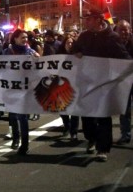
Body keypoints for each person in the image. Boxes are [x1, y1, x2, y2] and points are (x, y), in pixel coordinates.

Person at [71, 9, 131, 161]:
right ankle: (91, 139)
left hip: (104, 85)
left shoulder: (112, 37)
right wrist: (76, 52)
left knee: (103, 116)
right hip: (86, 83)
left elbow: (123, 57)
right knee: (87, 118)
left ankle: (103, 149)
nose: (86, 22)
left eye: (89, 19)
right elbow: (74, 49)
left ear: (98, 20)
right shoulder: (84, 36)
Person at [3, 29, 40, 155]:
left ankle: (25, 144)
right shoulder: (7, 52)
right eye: (22, 37)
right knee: (13, 116)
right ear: (15, 39)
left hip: (25, 87)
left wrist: (37, 59)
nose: (25, 40)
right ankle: (15, 139)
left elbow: (39, 66)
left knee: (23, 117)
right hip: (12, 87)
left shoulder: (30, 52)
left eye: (26, 38)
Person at [56, 34, 80, 141]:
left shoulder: (78, 56)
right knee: (62, 108)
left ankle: (73, 131)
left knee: (74, 110)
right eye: (68, 43)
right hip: (61, 85)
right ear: (64, 44)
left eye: (72, 43)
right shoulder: (58, 56)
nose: (70, 45)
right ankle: (67, 126)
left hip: (75, 85)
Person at [115, 20, 133, 144]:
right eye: (121, 29)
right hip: (122, 82)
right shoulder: (112, 45)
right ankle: (125, 134)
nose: (123, 32)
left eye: (125, 29)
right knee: (124, 109)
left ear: (130, 30)